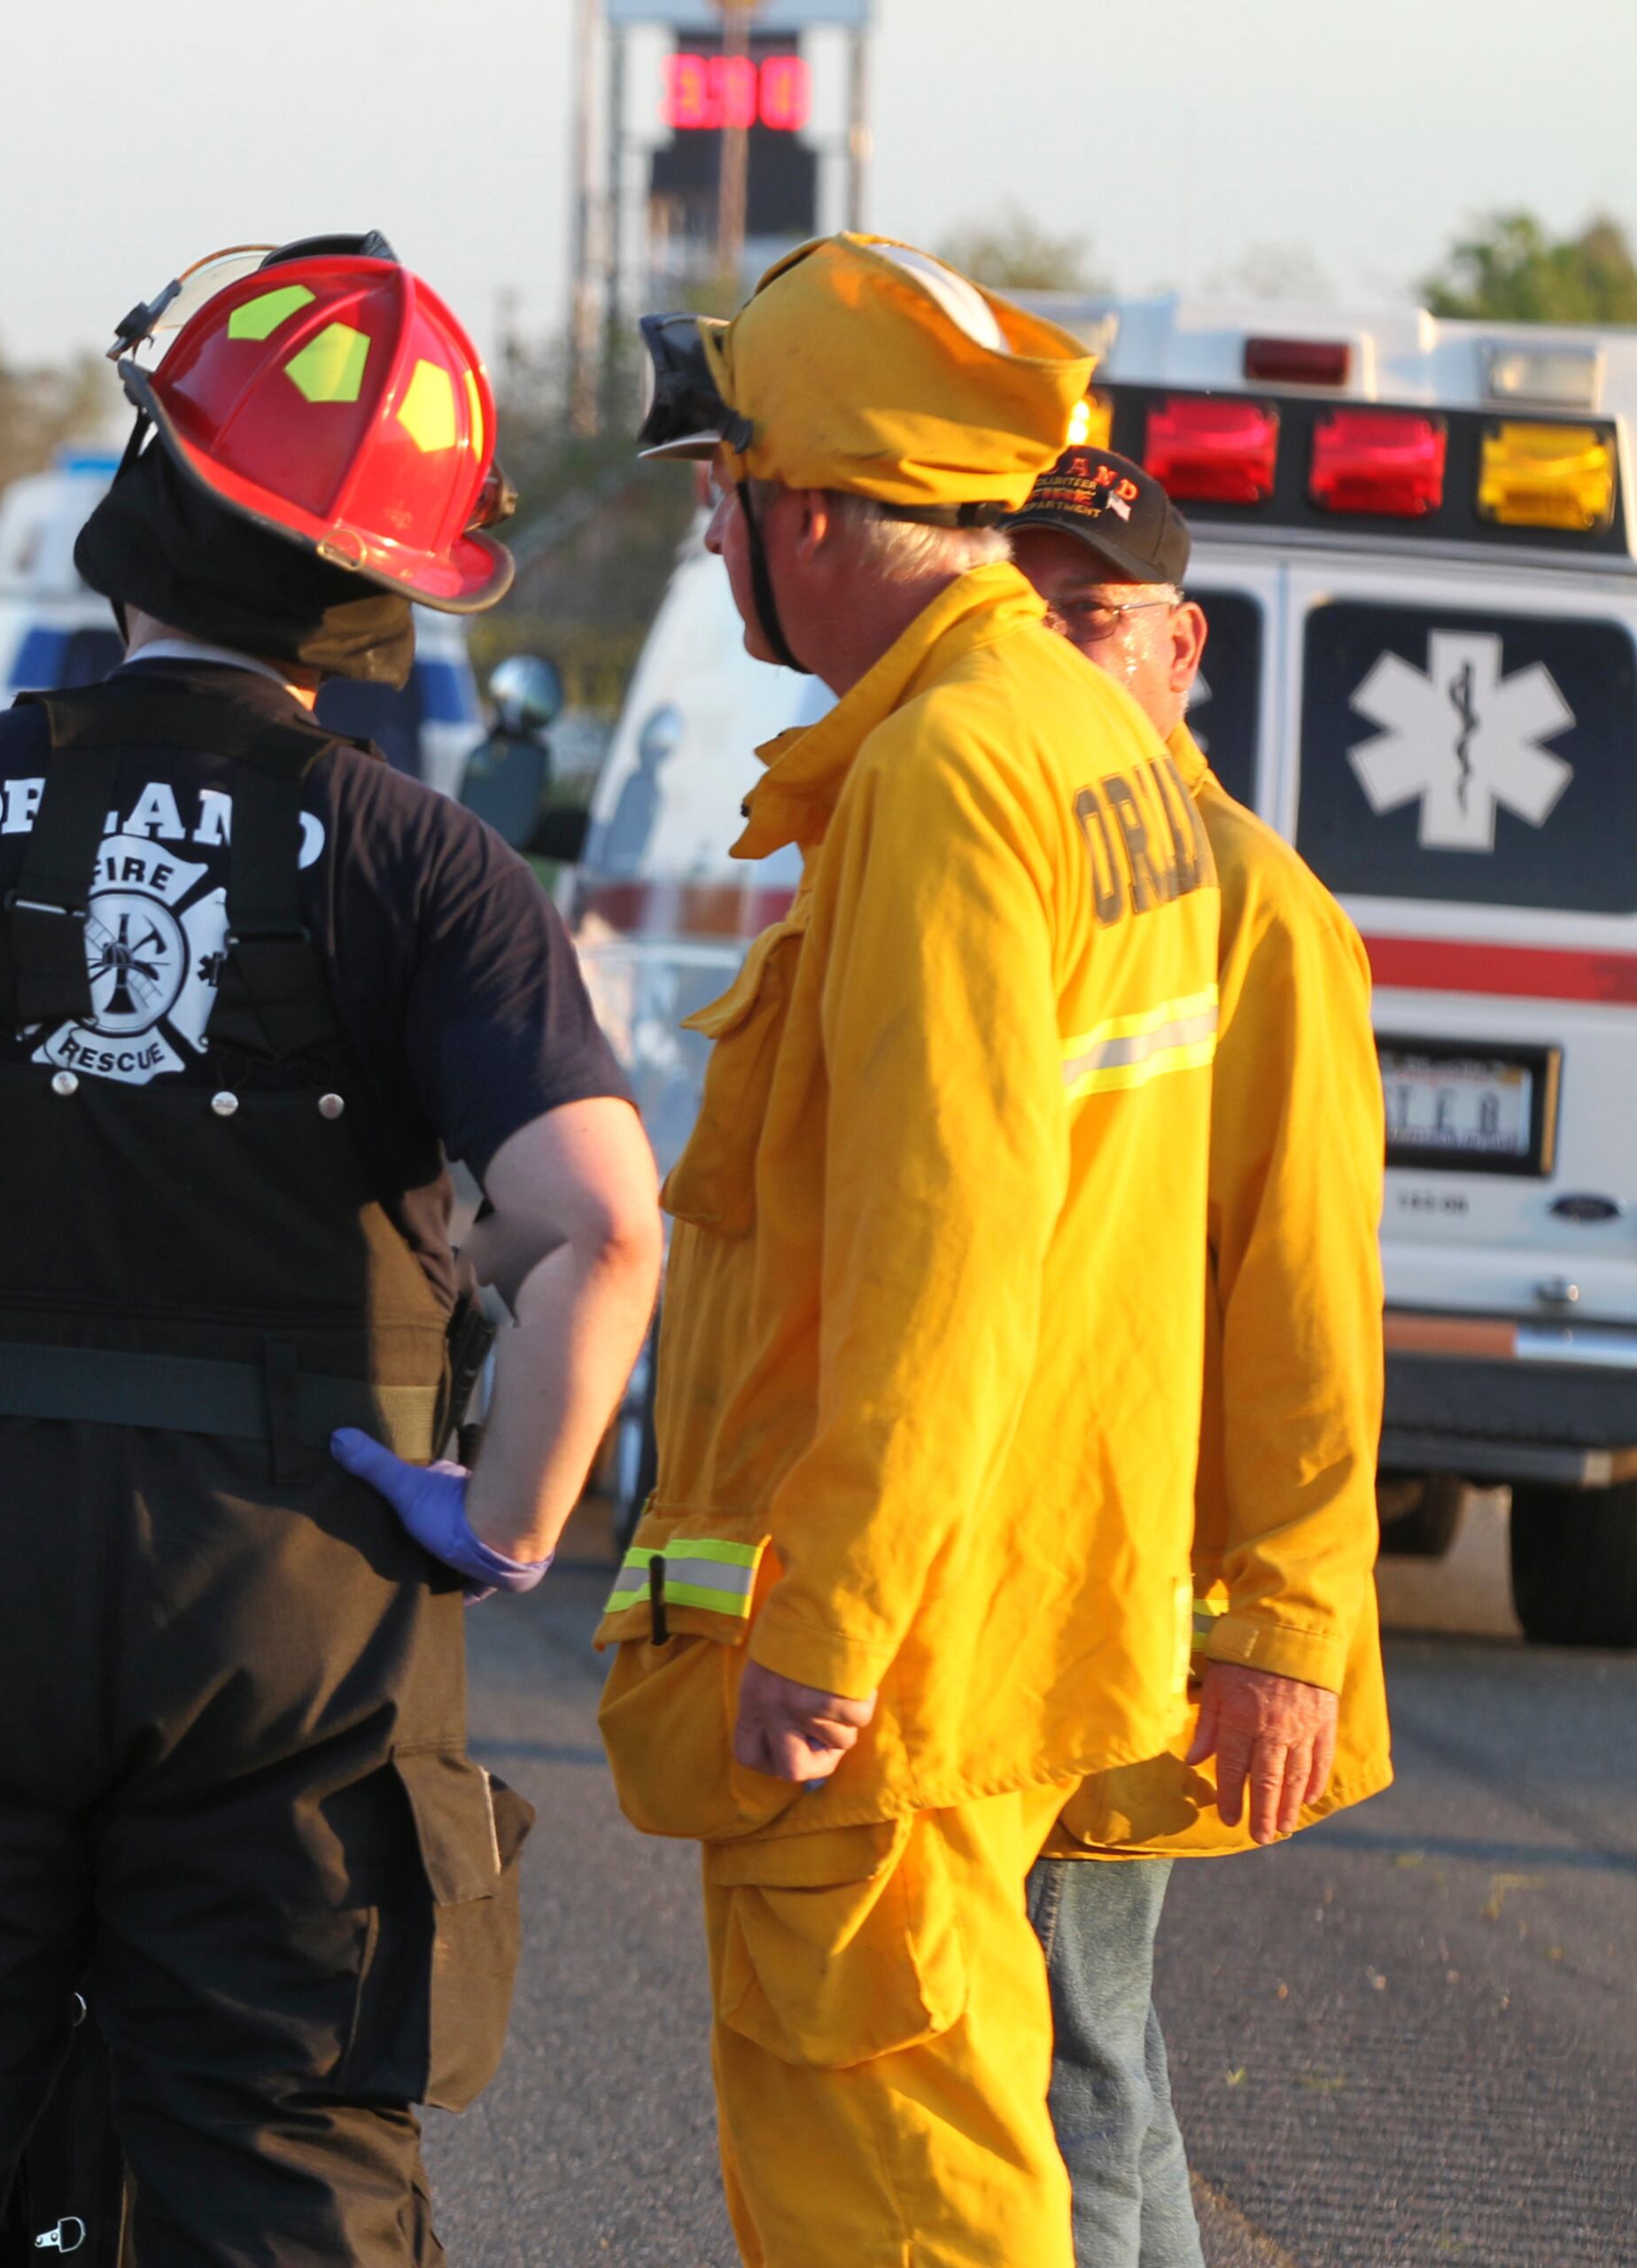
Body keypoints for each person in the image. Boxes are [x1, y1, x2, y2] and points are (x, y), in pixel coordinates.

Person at [0, 233, 664, 2264]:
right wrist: (510, 1516)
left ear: (137, 502)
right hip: (295, 1622)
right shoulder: (420, 864)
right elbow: (604, 1223)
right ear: (380, 591)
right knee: (278, 2172)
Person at [594, 237, 1224, 2268]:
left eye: (722, 490)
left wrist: (830, 1623)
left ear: (810, 508)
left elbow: (946, 1252)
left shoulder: (949, 777)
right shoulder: (1086, 737)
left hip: (897, 1670)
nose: (707, 533)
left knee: (907, 2214)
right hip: (1023, 1600)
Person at [1006, 446, 1393, 2267]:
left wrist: (1286, 1628)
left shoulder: (1250, 902)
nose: (1067, 657)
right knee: (1099, 2043)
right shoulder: (1038, 855)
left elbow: (1308, 1293)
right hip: (1026, 1570)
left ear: (1182, 646)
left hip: (1134, 1591)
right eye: (1036, 618)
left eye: (1099, 619)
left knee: (1062, 2047)